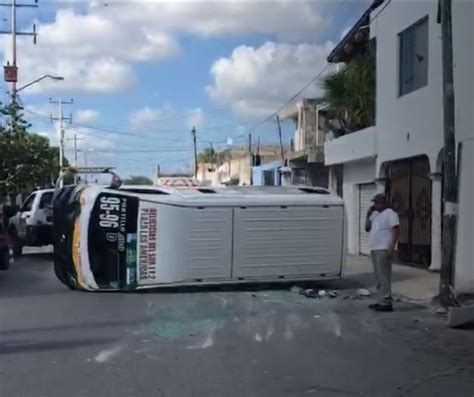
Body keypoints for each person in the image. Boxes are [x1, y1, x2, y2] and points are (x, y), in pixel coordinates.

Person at [365, 193, 400, 312]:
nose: (374, 205)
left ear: (384, 203)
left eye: (377, 202)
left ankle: (386, 302)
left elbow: (395, 230)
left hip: (384, 248)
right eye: (374, 202)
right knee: (378, 276)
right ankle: (380, 300)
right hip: (374, 248)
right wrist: (368, 214)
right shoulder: (374, 214)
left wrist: (391, 247)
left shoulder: (390, 213)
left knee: (384, 275)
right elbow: (367, 228)